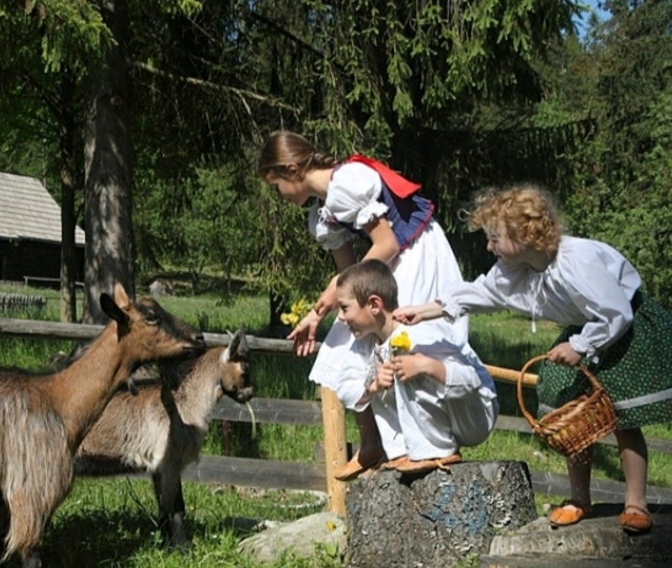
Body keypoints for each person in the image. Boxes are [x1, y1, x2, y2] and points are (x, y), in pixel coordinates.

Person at [395, 184, 672, 534]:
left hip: (618, 331)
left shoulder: (576, 260)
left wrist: (581, 346)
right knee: (571, 416)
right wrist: (423, 311)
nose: (489, 245)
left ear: (525, 234)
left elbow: (615, 312)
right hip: (584, 332)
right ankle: (579, 498)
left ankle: (636, 503)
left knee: (624, 418)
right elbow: (480, 292)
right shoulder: (516, 270)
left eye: (495, 237)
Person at [257, 129, 467, 477]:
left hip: (413, 254)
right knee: (344, 345)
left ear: (293, 170)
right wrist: (317, 314)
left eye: (275, 184)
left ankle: (429, 442)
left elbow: (386, 244)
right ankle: (372, 442)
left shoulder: (349, 183)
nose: (277, 195)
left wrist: (346, 292)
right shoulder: (324, 213)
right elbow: (346, 274)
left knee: (408, 343)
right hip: (378, 269)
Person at [331, 260, 497, 475]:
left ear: (374, 304)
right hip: (451, 415)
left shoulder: (419, 333)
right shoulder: (366, 341)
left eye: (345, 308)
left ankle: (434, 450)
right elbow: (344, 387)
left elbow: (471, 380)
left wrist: (428, 366)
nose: (340, 317)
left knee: (405, 366)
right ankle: (401, 450)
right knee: (379, 375)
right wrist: (374, 386)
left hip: (474, 415)